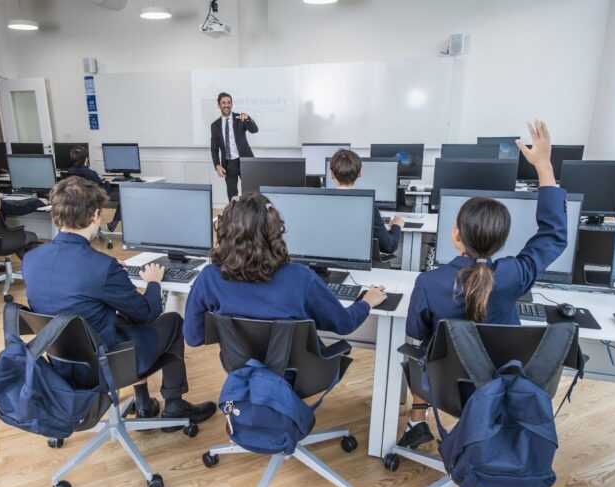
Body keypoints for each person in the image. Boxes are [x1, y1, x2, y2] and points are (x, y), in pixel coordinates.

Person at [399, 120, 568, 449]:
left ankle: (416, 424)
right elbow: (553, 234)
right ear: (502, 242)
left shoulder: (430, 282)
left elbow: (417, 339)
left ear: (455, 234)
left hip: (445, 389)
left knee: (417, 353)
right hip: (502, 386)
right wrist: (544, 165)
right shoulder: (514, 275)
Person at [21, 176, 215, 426]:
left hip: (60, 361)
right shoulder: (101, 268)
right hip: (106, 365)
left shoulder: (32, 259)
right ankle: (175, 406)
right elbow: (148, 312)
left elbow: (70, 290)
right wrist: (154, 282)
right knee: (173, 322)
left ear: (56, 214)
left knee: (124, 318)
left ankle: (144, 404)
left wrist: (112, 274)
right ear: (94, 216)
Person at [183, 192, 388, 349]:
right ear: (274, 230)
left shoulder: (209, 277)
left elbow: (193, 338)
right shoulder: (300, 278)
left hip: (239, 369)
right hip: (299, 374)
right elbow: (343, 324)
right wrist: (366, 301)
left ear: (225, 230)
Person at [329, 149, 404, 254]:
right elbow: (388, 246)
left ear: (331, 174)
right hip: (358, 263)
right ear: (360, 173)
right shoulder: (368, 205)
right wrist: (396, 225)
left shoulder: (317, 203)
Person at [210, 92, 259, 201]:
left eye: (229, 102)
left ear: (232, 104)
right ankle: (235, 217)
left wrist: (247, 118)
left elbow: (254, 130)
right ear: (219, 105)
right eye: (223, 103)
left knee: (251, 193)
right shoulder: (215, 126)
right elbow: (214, 148)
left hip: (245, 160)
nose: (226, 105)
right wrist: (217, 165)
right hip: (229, 164)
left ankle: (252, 216)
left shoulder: (239, 118)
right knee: (232, 196)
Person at [64, 145, 121, 232]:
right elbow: (103, 189)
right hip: (94, 198)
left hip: (78, 200)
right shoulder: (90, 173)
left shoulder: (69, 171)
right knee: (125, 196)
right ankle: (114, 223)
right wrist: (107, 182)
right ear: (86, 159)